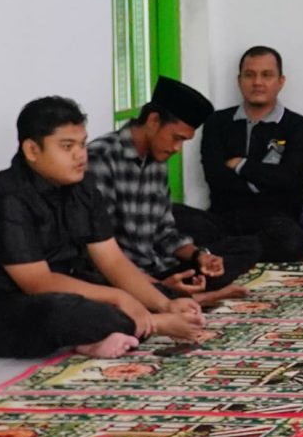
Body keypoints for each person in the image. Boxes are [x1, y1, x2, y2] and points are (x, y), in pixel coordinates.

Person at [0, 97, 209, 360]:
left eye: (82, 144)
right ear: (32, 150)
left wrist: (166, 303)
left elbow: (113, 260)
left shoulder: (83, 188)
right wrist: (133, 306)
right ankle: (146, 325)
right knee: (71, 312)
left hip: (67, 287)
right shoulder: (6, 198)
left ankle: (103, 335)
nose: (80, 155)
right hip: (6, 305)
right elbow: (39, 282)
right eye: (67, 146)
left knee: (157, 291)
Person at [83, 75, 236, 294]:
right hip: (120, 277)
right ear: (153, 121)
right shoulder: (101, 159)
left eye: (183, 141)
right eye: (176, 138)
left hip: (157, 267)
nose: (177, 148)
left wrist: (200, 256)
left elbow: (164, 232)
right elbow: (99, 250)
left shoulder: (157, 161)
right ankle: (169, 295)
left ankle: (175, 292)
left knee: (244, 248)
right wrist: (155, 288)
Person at [197, 46, 303, 264]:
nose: (258, 83)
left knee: (291, 242)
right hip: (224, 217)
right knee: (176, 220)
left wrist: (241, 165)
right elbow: (215, 177)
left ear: (281, 81)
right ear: (239, 80)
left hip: (275, 220)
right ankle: (240, 249)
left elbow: (290, 180)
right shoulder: (217, 122)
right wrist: (265, 181)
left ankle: (226, 252)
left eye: (267, 75)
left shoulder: (298, 126)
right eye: (249, 75)